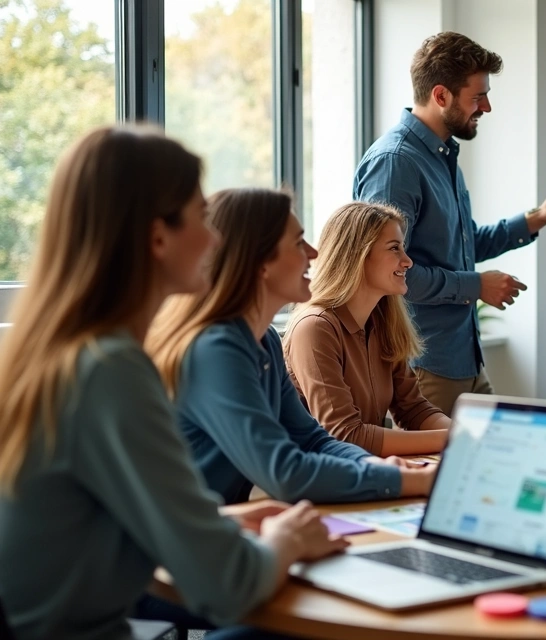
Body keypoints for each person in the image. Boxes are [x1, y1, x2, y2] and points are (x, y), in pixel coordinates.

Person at [0, 125, 344, 640]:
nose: (214, 238)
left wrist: (222, 523)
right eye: (202, 216)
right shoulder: (111, 371)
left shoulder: (61, 353)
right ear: (158, 237)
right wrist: (286, 539)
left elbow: (104, 517)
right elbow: (229, 584)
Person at [352, 31, 546, 416]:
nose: (487, 106)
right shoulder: (396, 163)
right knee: (441, 476)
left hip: (462, 360)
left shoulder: (441, 155)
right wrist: (476, 285)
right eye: (478, 96)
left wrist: (539, 217)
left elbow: (463, 245)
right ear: (440, 96)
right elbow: (386, 273)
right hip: (423, 366)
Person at [146, 188, 436, 506]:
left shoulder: (266, 340)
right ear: (261, 264)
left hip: (220, 526)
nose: (313, 253)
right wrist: (403, 479)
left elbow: (312, 439)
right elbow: (285, 473)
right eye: (299, 242)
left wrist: (375, 466)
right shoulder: (215, 350)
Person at [284, 202, 450, 457]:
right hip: (322, 487)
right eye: (394, 248)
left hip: (363, 473)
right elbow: (345, 435)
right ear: (356, 255)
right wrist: (453, 440)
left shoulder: (382, 322)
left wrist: (465, 435)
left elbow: (414, 409)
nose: (407, 262)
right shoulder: (315, 328)